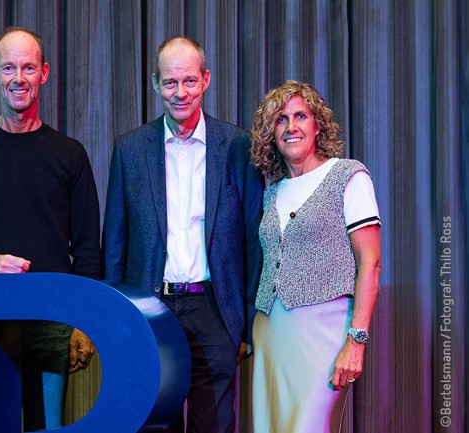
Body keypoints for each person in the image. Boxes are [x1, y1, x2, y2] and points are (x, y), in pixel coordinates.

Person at [0, 26, 101, 431]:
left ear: (44, 73)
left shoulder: (70, 154)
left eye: (28, 67)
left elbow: (88, 248)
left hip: (52, 320)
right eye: (9, 67)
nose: (18, 78)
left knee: (47, 427)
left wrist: (85, 320)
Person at [103, 37, 264, 433]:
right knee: (155, 425)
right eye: (170, 82)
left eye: (189, 81)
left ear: (206, 80)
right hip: (150, 308)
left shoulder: (239, 147)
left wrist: (243, 321)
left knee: (215, 425)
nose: (180, 92)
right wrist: (118, 317)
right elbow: (116, 243)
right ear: (156, 84)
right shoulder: (130, 150)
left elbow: (253, 240)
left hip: (215, 309)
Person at [249, 80, 382, 432]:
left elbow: (371, 263)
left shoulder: (348, 175)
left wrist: (357, 340)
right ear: (271, 133)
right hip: (270, 331)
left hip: (324, 332)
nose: (291, 127)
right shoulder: (271, 192)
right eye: (280, 119)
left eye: (300, 116)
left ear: (317, 124)